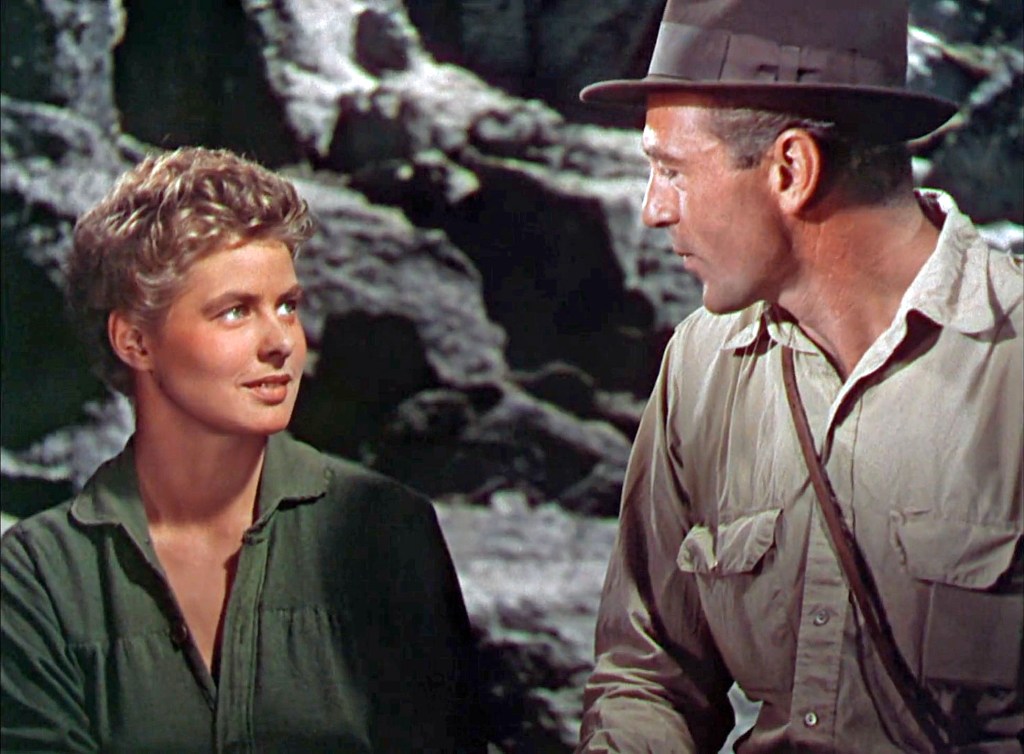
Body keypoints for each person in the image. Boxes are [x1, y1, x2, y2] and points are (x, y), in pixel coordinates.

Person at [574, 1, 1023, 752]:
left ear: (791, 170)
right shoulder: (700, 364)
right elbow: (649, 676)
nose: (653, 210)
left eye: (671, 170)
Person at [0, 147, 483, 753]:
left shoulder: (388, 531)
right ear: (135, 340)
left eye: (287, 306)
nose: (280, 342)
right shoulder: (39, 575)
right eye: (235, 312)